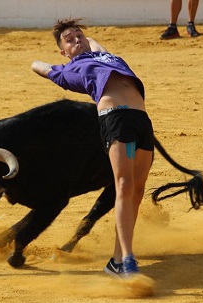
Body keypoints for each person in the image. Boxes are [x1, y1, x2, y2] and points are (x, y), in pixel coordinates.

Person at [31, 18, 154, 278]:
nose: (77, 38)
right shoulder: (70, 70)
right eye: (70, 39)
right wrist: (60, 62)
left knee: (137, 190)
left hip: (141, 121)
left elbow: (94, 44)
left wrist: (82, 41)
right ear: (63, 51)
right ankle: (128, 260)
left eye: (80, 35)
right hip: (117, 120)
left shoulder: (104, 56)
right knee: (124, 186)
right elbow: (37, 65)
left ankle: (117, 260)